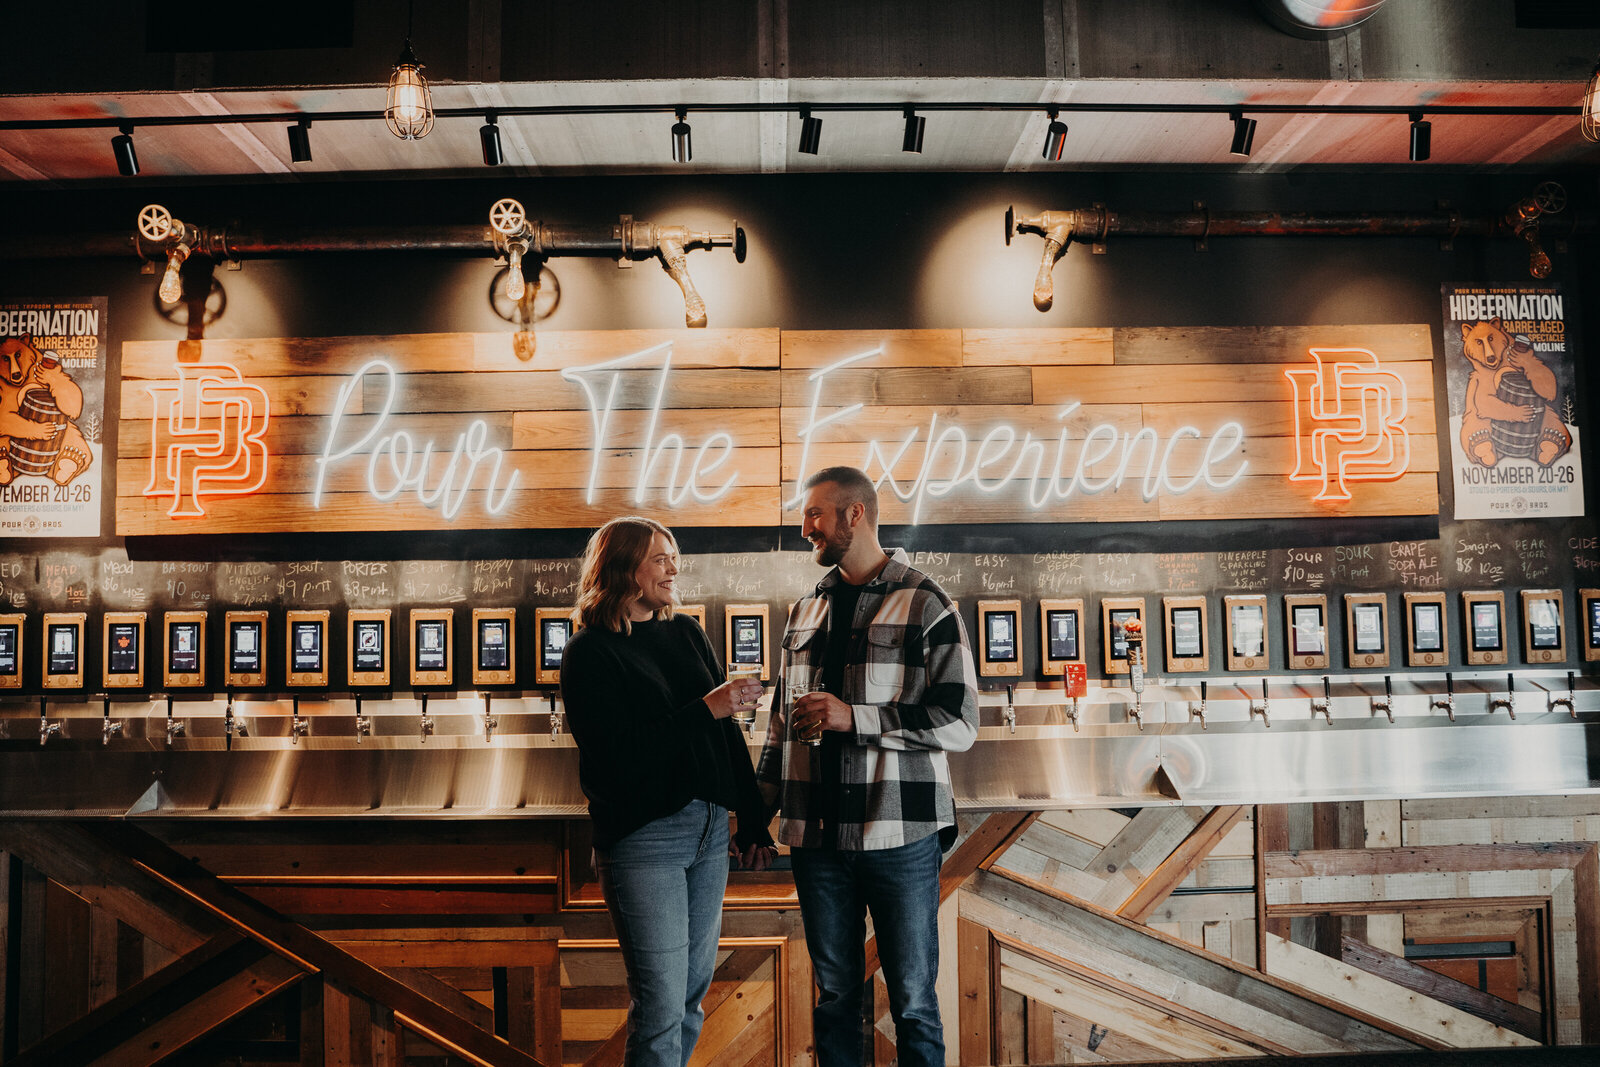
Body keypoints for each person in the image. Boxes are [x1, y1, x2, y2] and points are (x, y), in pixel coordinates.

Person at [756, 467, 978, 1067]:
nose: (806, 529)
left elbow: (959, 724)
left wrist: (856, 718)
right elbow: (781, 728)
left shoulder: (927, 603)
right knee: (835, 1000)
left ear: (855, 515)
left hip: (898, 836)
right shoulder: (804, 611)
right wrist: (757, 815)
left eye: (815, 515)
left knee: (912, 1002)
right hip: (816, 840)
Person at [561, 516, 776, 1067]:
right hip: (644, 838)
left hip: (708, 832)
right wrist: (709, 706)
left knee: (687, 1002)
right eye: (659, 558)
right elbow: (617, 759)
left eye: (673, 556)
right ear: (623, 569)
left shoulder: (686, 633)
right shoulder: (589, 653)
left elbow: (724, 737)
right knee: (658, 1008)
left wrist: (751, 822)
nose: (672, 568)